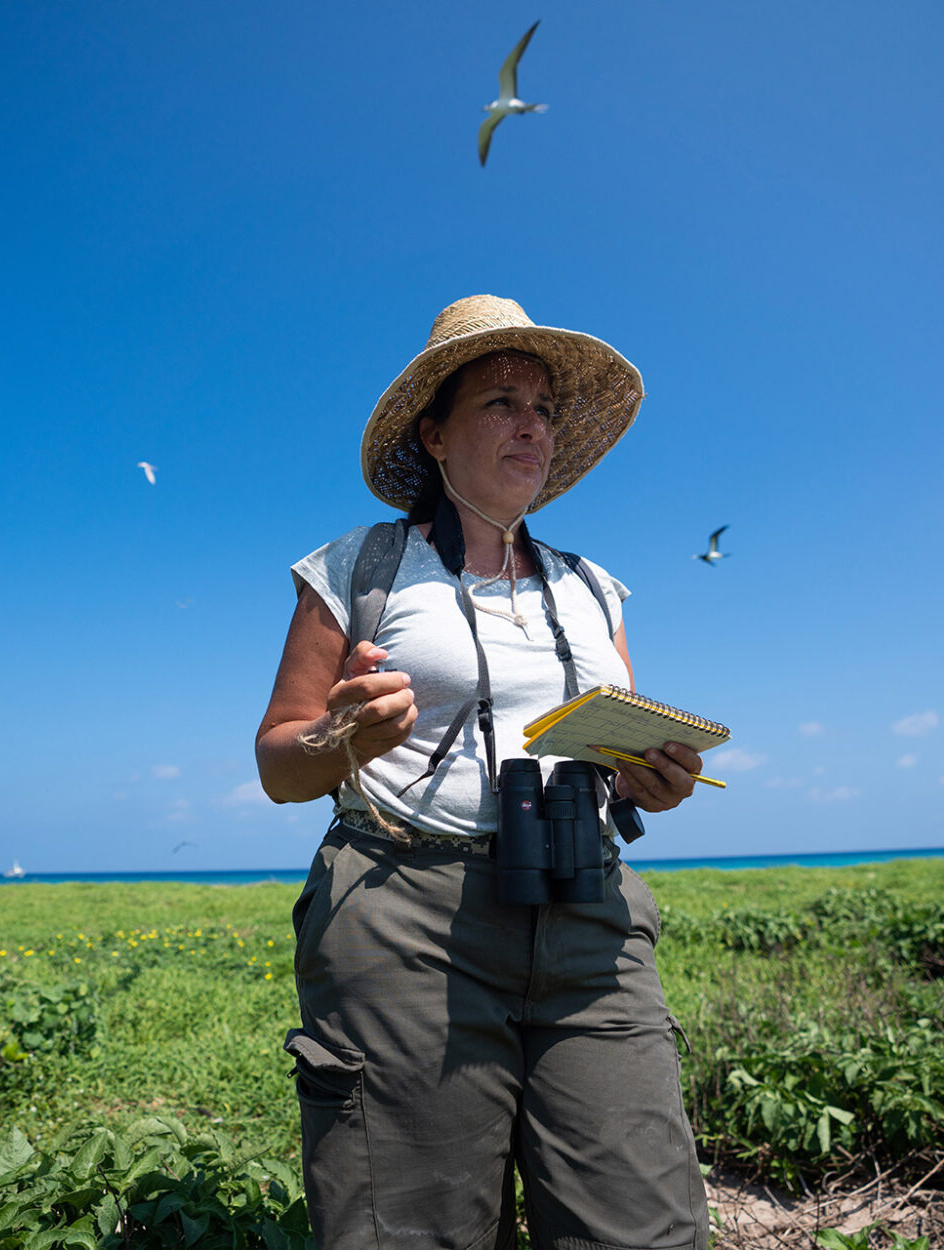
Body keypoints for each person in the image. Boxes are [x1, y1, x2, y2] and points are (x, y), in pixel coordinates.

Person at [256, 295, 711, 1250]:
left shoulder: (594, 589)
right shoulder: (360, 567)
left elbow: (618, 752)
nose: (531, 425)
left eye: (543, 408)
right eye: (501, 401)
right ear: (434, 435)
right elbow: (279, 763)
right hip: (405, 916)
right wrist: (343, 739)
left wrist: (649, 781)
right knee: (414, 1229)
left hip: (587, 903)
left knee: (643, 1225)